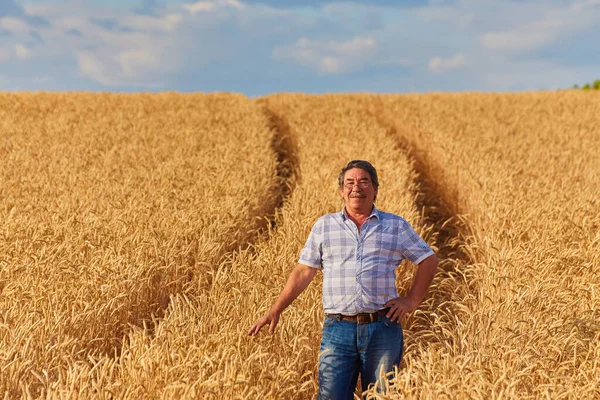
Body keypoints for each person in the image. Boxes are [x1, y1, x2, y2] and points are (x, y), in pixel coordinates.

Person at [248, 160, 438, 399]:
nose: (356, 188)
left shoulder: (395, 226)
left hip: (383, 327)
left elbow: (428, 259)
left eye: (363, 182)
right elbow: (304, 271)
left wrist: (411, 301)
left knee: (383, 396)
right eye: (349, 183)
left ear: (375, 189)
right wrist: (276, 309)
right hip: (338, 330)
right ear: (341, 191)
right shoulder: (325, 226)